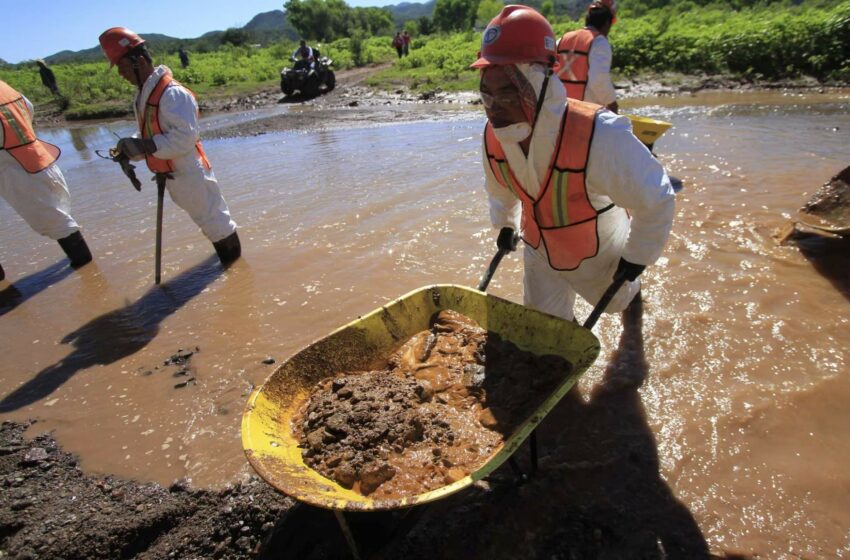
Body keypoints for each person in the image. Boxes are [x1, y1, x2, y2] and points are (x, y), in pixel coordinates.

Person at [472, 5, 674, 322]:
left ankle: (634, 316)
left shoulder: (599, 133)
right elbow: (500, 187)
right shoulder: (493, 136)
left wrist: (638, 256)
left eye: (508, 93)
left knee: (618, 303)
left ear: (537, 82)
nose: (495, 108)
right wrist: (506, 224)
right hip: (539, 246)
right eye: (488, 95)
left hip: (596, 248)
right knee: (545, 328)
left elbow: (657, 196)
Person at [98, 27, 241, 265]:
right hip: (173, 172)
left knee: (215, 223)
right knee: (208, 223)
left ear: (139, 61)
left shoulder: (172, 94)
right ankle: (232, 271)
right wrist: (130, 149)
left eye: (122, 68)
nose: (121, 74)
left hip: (189, 170)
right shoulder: (145, 93)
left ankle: (236, 274)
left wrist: (142, 146)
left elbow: (184, 139)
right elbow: (152, 132)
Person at [0, 79, 93, 272]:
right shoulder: (4, 88)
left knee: (54, 220)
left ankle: (86, 268)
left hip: (13, 166)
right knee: (57, 215)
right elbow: (29, 107)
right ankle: (87, 270)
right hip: (37, 154)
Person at [555, 0, 618, 113]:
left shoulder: (562, 39)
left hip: (560, 109)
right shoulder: (599, 42)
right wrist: (612, 104)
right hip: (585, 113)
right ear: (607, 23)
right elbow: (599, 79)